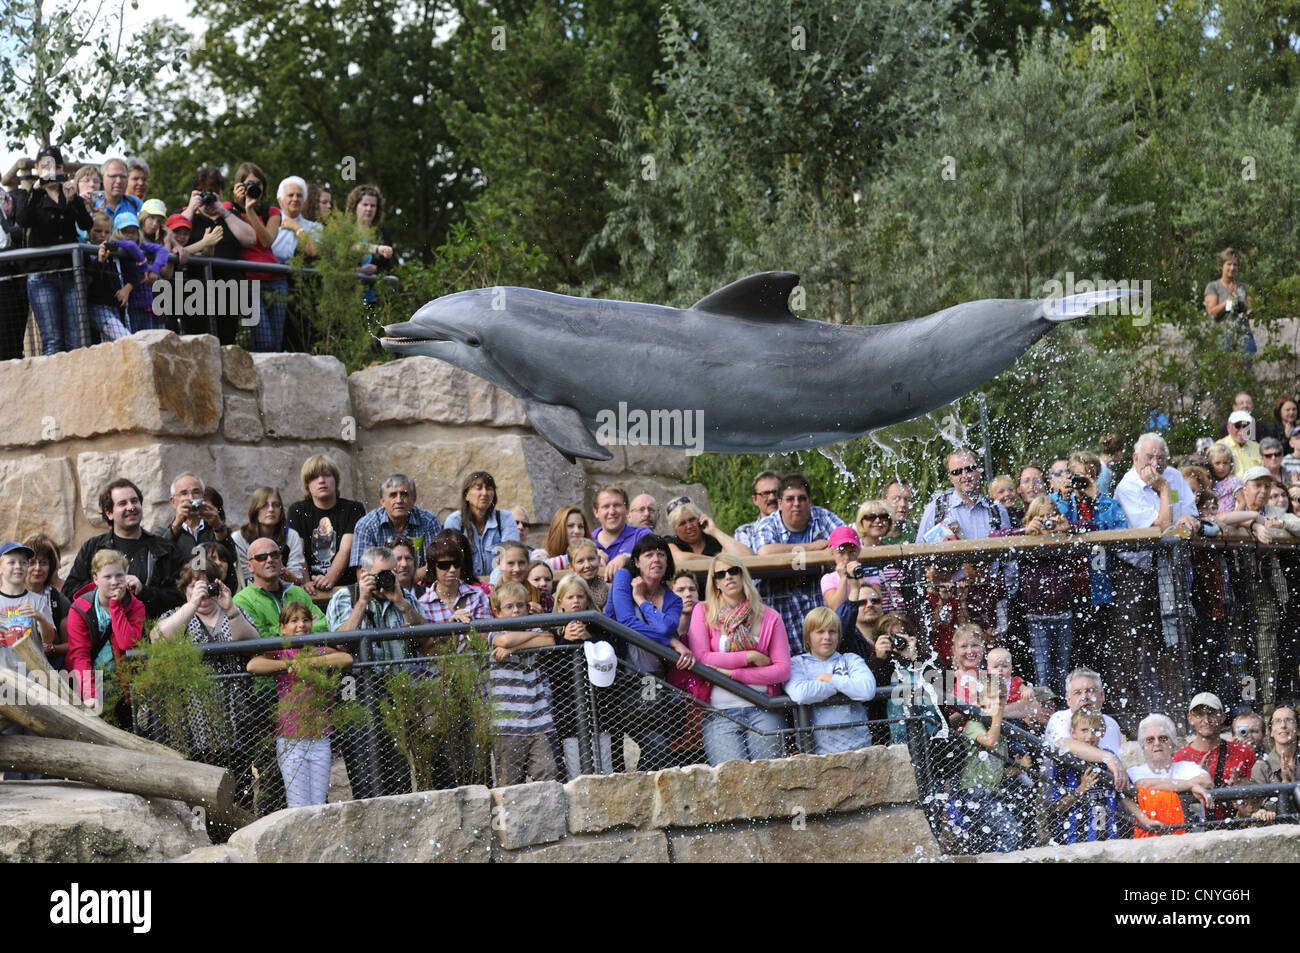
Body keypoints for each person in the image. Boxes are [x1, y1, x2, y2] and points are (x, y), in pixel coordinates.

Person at [1113, 433, 1201, 726]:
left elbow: (1189, 513)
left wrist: (1187, 518)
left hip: (1169, 568)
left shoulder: (1174, 475)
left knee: (1172, 637)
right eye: (1149, 458)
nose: (1155, 464)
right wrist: (1163, 490)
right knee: (1134, 642)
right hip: (1135, 571)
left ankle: (1176, 712)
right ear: (1135, 459)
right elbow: (1161, 526)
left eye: (1160, 458)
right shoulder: (1129, 485)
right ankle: (1132, 716)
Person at [326, 545, 424, 798]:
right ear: (363, 573)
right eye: (381, 574)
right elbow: (341, 642)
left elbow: (424, 639)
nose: (387, 579)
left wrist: (401, 603)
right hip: (357, 694)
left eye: (391, 573)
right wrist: (363, 602)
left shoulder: (404, 597)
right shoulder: (346, 597)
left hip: (396, 691)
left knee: (399, 770)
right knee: (364, 767)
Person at [686, 554, 790, 765]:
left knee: (768, 778)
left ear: (743, 575)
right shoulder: (703, 611)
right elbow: (702, 658)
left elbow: (782, 670)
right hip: (720, 713)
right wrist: (750, 656)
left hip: (763, 708)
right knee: (730, 782)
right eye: (721, 574)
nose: (728, 577)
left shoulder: (770, 616)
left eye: (734, 571)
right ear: (715, 582)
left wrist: (733, 673)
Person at [247, 602, 352, 809]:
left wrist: (309, 663)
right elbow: (253, 665)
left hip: (320, 737)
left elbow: (346, 658)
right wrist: (288, 665)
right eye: (293, 620)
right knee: (298, 803)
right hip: (290, 739)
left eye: (305, 619)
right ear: (282, 628)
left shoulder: (317, 651)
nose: (301, 625)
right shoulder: (281, 652)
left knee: (319, 802)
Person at [604, 534, 696, 771]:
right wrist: (671, 642)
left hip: (653, 682)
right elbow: (625, 623)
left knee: (657, 744)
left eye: (661, 554)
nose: (656, 559)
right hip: (618, 679)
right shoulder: (624, 577)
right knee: (614, 756)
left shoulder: (673, 599)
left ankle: (643, 793)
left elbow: (667, 626)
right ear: (636, 561)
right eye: (649, 555)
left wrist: (641, 599)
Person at [752, 473, 845, 657]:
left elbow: (845, 542)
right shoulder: (767, 524)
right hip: (781, 605)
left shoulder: (822, 516)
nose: (796, 503)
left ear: (809, 501)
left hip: (820, 606)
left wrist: (789, 554)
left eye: (801, 498)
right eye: (790, 499)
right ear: (779, 504)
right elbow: (765, 552)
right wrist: (812, 548)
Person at [63, 478, 184, 616]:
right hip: (103, 634)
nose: (131, 507)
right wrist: (105, 588)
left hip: (152, 632)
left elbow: (181, 595)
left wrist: (144, 591)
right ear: (109, 513)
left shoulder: (164, 549)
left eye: (134, 501)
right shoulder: (93, 547)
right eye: (122, 503)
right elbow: (69, 591)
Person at [18, 145, 94, 354]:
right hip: (42, 276)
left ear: (62, 168)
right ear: (37, 168)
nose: (51, 170)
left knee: (76, 342)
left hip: (70, 275)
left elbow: (87, 224)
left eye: (56, 165)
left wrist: (73, 201)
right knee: (52, 341)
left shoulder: (69, 194)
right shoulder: (30, 196)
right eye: (46, 166)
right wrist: (35, 190)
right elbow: (23, 220)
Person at [487, 580, 558, 785]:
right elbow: (505, 641)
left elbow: (549, 640)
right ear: (498, 612)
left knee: (548, 773)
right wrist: (513, 645)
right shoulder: (493, 631)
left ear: (528, 608)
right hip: (507, 724)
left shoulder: (535, 629)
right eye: (509, 607)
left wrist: (513, 649)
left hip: (537, 720)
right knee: (509, 784)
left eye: (520, 605)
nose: (516, 610)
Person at [1049, 708, 1156, 842]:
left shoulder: (1108, 759)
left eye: (1095, 730)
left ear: (1103, 733)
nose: (1090, 736)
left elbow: (1122, 793)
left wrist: (1145, 819)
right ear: (1072, 733)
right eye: (1084, 730)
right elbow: (1058, 807)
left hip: (1107, 836)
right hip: (1073, 840)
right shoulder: (1064, 762)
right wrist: (1082, 788)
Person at [949, 674, 1025, 852]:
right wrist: (998, 716)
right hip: (974, 792)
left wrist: (1018, 769)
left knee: (988, 842)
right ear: (979, 700)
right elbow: (989, 742)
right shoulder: (974, 724)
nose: (998, 702)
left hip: (991, 792)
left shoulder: (1000, 730)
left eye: (1001, 697)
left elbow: (996, 771)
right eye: (992, 697)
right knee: (1011, 832)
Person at [181, 167, 257, 343]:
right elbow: (171, 238)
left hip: (229, 291)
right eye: (205, 193)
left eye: (215, 193)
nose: (209, 198)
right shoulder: (187, 215)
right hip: (193, 291)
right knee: (197, 342)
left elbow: (251, 239)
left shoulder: (231, 216)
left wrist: (224, 212)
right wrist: (192, 208)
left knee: (226, 340)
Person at [785, 606, 875, 754]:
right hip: (816, 755)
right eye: (820, 631)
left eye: (832, 631)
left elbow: (867, 690)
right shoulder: (796, 663)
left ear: (839, 636)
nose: (827, 637)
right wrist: (843, 686)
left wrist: (831, 679)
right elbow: (800, 693)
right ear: (808, 637)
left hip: (860, 750)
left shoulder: (851, 659)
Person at [65, 549, 144, 705]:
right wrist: (90, 694)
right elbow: (80, 656)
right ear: (95, 579)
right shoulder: (80, 608)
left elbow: (127, 643)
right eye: (107, 577)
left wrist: (115, 606)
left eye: (119, 575)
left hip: (123, 681)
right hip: (91, 679)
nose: (114, 582)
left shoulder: (136, 606)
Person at [153, 560, 258, 671]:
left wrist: (230, 610)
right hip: (195, 686)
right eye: (194, 586)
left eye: (207, 585)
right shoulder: (174, 615)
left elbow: (255, 645)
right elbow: (157, 639)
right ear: (184, 589)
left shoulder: (235, 610)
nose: (202, 590)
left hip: (240, 686)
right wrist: (193, 604)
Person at [286, 454, 366, 594]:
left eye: (327, 475)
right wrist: (306, 582)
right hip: (310, 588)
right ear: (307, 484)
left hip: (345, 588)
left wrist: (330, 578)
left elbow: (346, 549)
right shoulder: (297, 510)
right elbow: (298, 550)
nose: (321, 481)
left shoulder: (353, 509)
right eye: (314, 477)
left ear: (336, 480)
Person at [1174, 693, 1257, 823]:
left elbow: (1257, 798)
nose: (1206, 719)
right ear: (1190, 719)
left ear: (1223, 717)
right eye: (1199, 714)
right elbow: (1176, 799)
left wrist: (1240, 784)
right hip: (1196, 833)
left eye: (1212, 713)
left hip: (1237, 828)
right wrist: (1197, 781)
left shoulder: (1244, 753)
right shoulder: (1180, 758)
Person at [1043, 668, 1129, 792]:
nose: (1084, 697)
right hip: (1063, 800)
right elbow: (1064, 744)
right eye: (1078, 692)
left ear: (1102, 695)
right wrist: (1108, 757)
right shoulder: (1059, 718)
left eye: (1090, 691)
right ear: (1068, 699)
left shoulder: (1111, 723)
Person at [231, 537, 327, 641]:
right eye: (261, 557)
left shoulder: (298, 592)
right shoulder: (242, 600)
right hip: (272, 657)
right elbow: (260, 639)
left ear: (280, 559)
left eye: (274, 555)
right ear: (249, 566)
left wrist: (275, 629)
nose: (270, 560)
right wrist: (304, 627)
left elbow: (324, 625)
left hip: (310, 653)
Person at [351, 474, 442, 577]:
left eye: (404, 494)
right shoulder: (366, 525)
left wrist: (404, 583)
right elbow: (362, 571)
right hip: (380, 589)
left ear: (413, 499)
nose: (399, 500)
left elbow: (435, 564)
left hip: (419, 588)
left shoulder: (429, 521)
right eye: (393, 495)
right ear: (382, 501)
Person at [415, 535, 492, 654]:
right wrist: (450, 629)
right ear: (432, 568)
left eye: (456, 564)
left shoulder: (477, 595)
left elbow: (486, 640)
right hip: (438, 671)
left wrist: (468, 628)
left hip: (477, 668)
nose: (452, 569)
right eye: (444, 565)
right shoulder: (422, 604)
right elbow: (430, 653)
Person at [1127, 713, 1213, 816]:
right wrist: (1190, 785)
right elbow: (1143, 785)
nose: (1157, 743)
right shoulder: (1133, 772)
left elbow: (1207, 781)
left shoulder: (1186, 767)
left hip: (1190, 831)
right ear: (1143, 745)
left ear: (1173, 744)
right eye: (1150, 740)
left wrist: (1173, 786)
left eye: (1163, 738)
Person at [443, 470, 519, 579]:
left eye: (489, 488)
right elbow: (452, 559)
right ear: (466, 495)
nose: (484, 493)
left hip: (500, 584)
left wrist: (492, 582)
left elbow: (512, 555)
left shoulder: (505, 518)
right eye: (479, 488)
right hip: (467, 585)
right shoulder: (455, 521)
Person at [154, 472, 234, 568]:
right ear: (173, 501)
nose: (191, 498)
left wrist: (218, 527)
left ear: (203, 497)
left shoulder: (216, 528)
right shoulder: (162, 532)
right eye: (184, 493)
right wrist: (175, 527)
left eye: (196, 492)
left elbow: (231, 559)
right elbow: (157, 561)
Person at [230, 487, 306, 587]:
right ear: (255, 510)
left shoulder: (291, 536)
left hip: (287, 593)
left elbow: (296, 579)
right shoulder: (239, 538)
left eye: (276, 505)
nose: (271, 509)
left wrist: (285, 575)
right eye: (264, 505)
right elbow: (245, 579)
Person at [0, 541, 55, 660]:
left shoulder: (37, 601)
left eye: (23, 562)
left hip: (32, 674)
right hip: (4, 674)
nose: (18, 566)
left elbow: (49, 639)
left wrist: (40, 618)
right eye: (11, 562)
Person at [852, 500, 909, 613]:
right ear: (861, 521)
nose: (878, 520)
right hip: (868, 617)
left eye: (883, 516)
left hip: (898, 618)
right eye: (871, 516)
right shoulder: (854, 554)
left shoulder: (895, 552)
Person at [23, 535, 70, 667]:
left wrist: (53, 649)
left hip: (51, 667)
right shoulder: (10, 595)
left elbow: (71, 644)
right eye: (32, 562)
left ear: (50, 567)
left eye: (43, 563)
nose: (38, 568)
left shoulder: (58, 600)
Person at [346, 184, 395, 308]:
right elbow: (336, 265)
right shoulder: (345, 231)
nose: (369, 209)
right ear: (355, 206)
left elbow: (389, 266)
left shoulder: (382, 233)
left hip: (374, 300)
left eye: (373, 206)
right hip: (347, 298)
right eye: (365, 204)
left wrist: (376, 270)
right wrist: (360, 271)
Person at [591, 485, 651, 582]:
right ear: (596, 512)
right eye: (606, 506)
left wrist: (627, 557)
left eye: (617, 505)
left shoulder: (642, 535)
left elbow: (656, 557)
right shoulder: (587, 541)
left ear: (627, 509)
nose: (612, 511)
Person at [1205, 247, 1255, 356]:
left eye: (1235, 264)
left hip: (1244, 336)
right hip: (1222, 336)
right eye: (1229, 264)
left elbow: (1252, 312)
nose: (1232, 268)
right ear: (1221, 266)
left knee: (1246, 370)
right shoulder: (1213, 286)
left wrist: (1240, 303)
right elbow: (1212, 312)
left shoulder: (1245, 287)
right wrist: (1229, 300)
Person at [663, 499, 749, 561]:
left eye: (692, 519)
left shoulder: (715, 541)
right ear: (675, 528)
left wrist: (714, 531)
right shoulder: (670, 542)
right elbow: (682, 558)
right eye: (682, 523)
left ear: (700, 518)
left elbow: (747, 557)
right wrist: (720, 561)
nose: (689, 526)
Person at [732, 470, 781, 552]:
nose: (772, 497)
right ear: (755, 499)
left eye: (776, 492)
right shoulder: (745, 533)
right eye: (765, 493)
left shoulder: (797, 528)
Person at [1251, 706, 1299, 785]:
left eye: (1289, 720)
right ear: (1271, 731)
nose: (1283, 725)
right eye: (1277, 721)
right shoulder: (1261, 768)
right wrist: (1285, 781)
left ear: (1298, 730)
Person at [540, 506, 594, 571]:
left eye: (580, 526)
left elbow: (601, 561)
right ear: (558, 529)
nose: (577, 531)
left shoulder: (594, 552)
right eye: (570, 526)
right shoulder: (541, 554)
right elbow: (539, 566)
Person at [1217, 410, 1262, 477]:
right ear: (1228, 427)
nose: (1242, 430)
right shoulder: (1219, 447)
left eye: (1246, 426)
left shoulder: (1258, 447)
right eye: (1237, 426)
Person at [568, 538, 608, 613]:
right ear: (571, 566)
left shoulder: (609, 590)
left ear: (599, 560)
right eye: (580, 561)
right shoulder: (565, 592)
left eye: (591, 559)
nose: (587, 565)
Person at [1207, 443, 1245, 512]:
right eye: (1217, 463)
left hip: (1230, 519)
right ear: (1210, 464)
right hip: (1213, 519)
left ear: (1231, 464)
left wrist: (1234, 518)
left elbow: (1242, 502)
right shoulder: (1208, 482)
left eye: (1225, 463)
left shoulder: (1233, 481)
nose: (1222, 467)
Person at [881, 479, 917, 545]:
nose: (902, 504)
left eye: (907, 500)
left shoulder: (917, 532)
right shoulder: (871, 532)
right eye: (896, 499)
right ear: (883, 503)